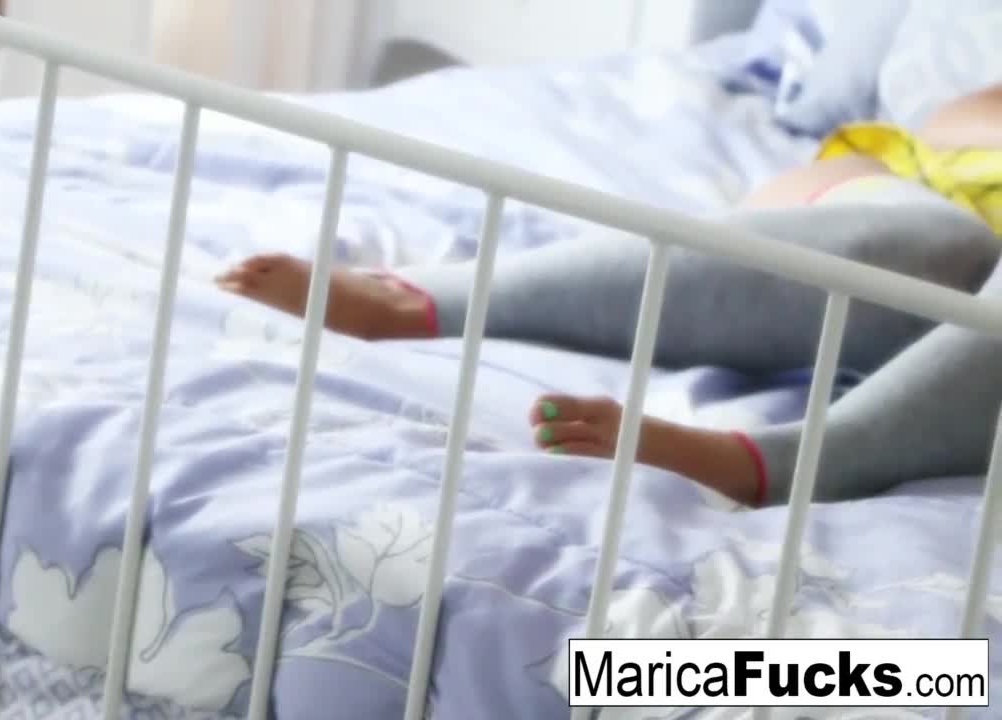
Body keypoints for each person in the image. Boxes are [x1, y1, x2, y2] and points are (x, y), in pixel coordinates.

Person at [215, 83, 1002, 508]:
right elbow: (951, 119)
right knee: (935, 241)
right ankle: (427, 303)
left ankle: (792, 464)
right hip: (936, 230)